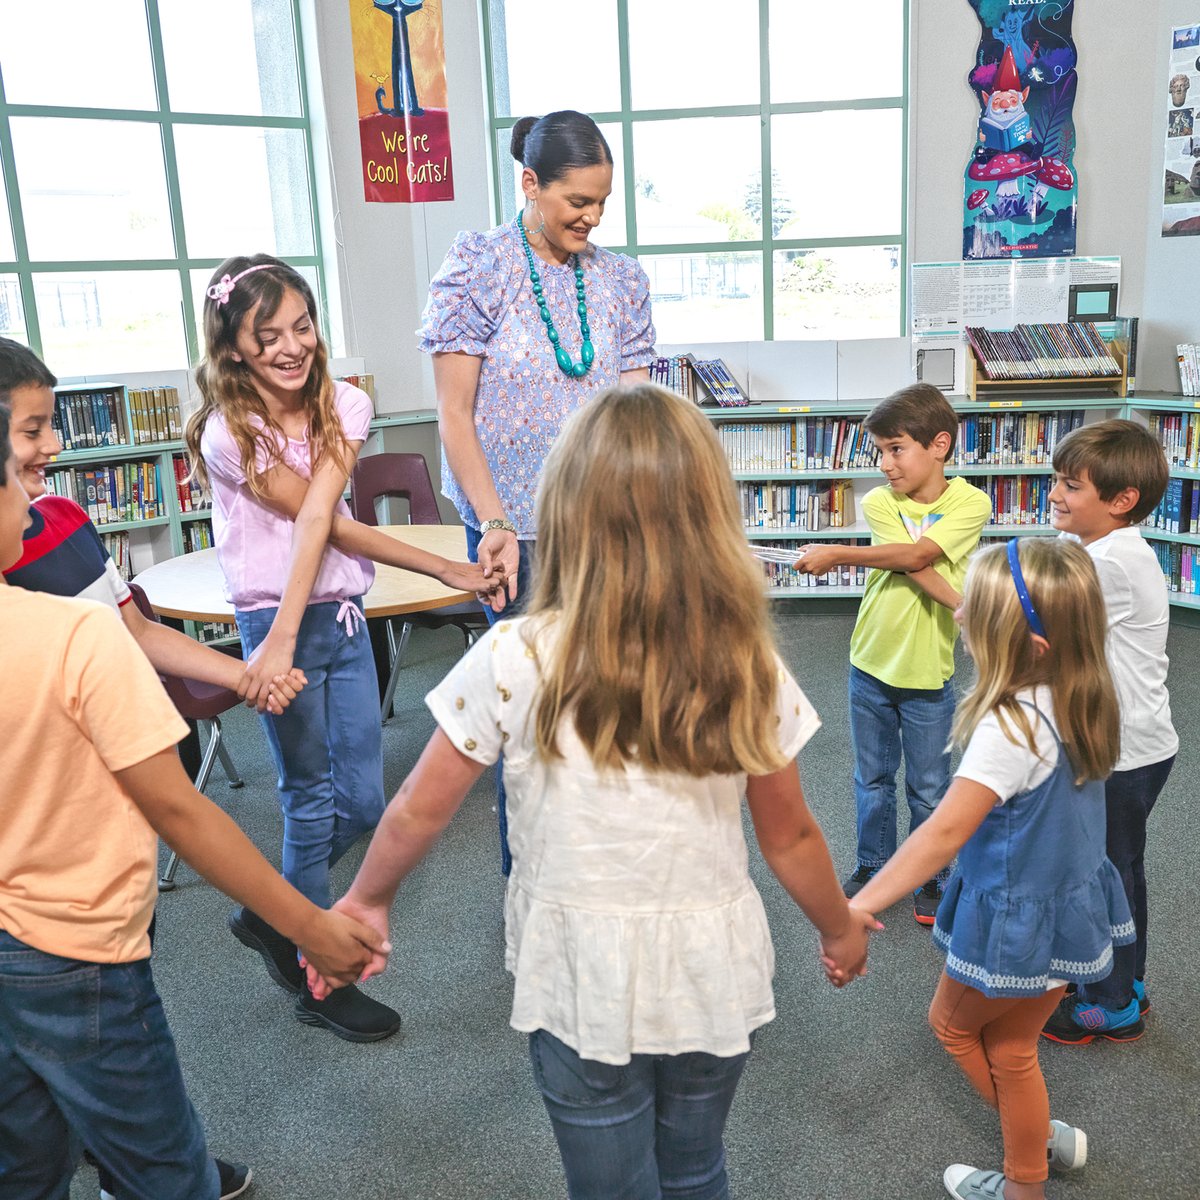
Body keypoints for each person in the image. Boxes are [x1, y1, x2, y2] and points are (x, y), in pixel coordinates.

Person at [309, 385, 870, 1200]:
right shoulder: (745, 660)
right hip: (709, 968)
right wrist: (839, 926)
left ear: (564, 515)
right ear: (711, 515)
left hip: (577, 973)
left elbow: (420, 808)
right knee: (697, 1168)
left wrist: (364, 899)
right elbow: (790, 835)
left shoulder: (514, 655)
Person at [0, 403, 384, 1200]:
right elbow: (181, 809)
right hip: (76, 933)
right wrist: (311, 926)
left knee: (27, 1159)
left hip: (47, 906)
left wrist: (244, 674)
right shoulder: (70, 638)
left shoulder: (68, 549)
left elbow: (134, 628)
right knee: (163, 1166)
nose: (43, 467)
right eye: (22, 451)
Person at [185, 254, 501, 1043]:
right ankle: (312, 971)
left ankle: (272, 910)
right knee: (306, 799)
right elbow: (313, 519)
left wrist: (446, 567)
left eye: (303, 326)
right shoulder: (230, 433)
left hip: (344, 620)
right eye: (269, 336)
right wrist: (280, 643)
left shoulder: (345, 404)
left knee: (362, 799)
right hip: (272, 623)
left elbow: (332, 518)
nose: (293, 346)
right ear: (232, 349)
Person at [847, 538, 1134, 1200]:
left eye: (972, 611)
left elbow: (943, 832)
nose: (956, 618)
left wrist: (864, 904)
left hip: (1014, 916)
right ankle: (1038, 1149)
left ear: (1026, 645)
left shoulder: (1011, 726)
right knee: (1014, 1047)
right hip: (1067, 907)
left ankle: (1025, 1173)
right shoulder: (1085, 692)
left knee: (956, 1029)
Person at [418, 108, 656, 870]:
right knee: (525, 716)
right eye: (575, 202)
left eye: (601, 203)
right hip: (510, 530)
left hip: (604, 530)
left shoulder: (621, 280)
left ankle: (599, 870)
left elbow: (633, 418)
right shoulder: (479, 267)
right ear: (530, 183)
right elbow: (454, 417)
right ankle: (530, 886)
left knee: (608, 706)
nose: (591, 217)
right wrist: (493, 522)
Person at [793, 384, 991, 923]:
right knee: (871, 777)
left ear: (940, 446)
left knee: (929, 787)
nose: (884, 464)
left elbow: (918, 553)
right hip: (870, 663)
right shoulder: (880, 501)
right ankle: (874, 863)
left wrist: (837, 552)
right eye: (879, 451)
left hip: (929, 671)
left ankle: (933, 876)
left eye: (896, 449)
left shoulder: (973, 501)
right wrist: (965, 604)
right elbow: (908, 563)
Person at [1039, 420, 1176, 1044]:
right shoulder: (1109, 550)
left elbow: (1024, 615)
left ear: (1121, 501)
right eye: (1055, 480)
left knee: (1104, 872)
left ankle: (1110, 1000)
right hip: (1134, 744)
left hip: (1121, 752)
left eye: (1071, 484)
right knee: (1119, 866)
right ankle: (1124, 980)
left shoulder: (1110, 562)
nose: (1056, 494)